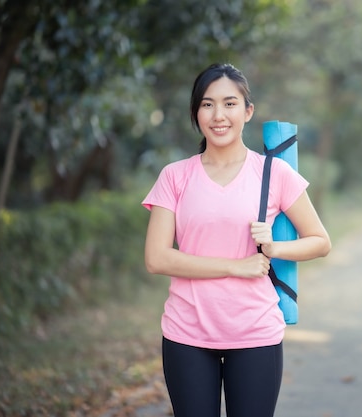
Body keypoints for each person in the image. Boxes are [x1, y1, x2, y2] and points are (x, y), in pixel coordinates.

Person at [142, 63, 331, 417]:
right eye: (207, 104)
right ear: (196, 113)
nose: (218, 115)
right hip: (187, 333)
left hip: (255, 331)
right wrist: (235, 266)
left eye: (229, 104)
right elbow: (156, 258)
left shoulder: (273, 173)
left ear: (248, 112)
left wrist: (275, 248)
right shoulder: (175, 176)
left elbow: (320, 241)